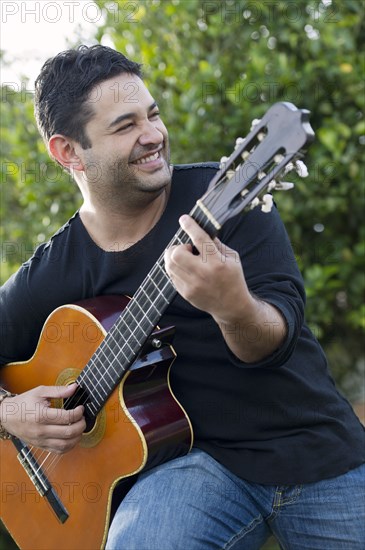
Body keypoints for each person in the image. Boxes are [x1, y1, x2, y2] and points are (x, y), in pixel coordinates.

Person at [0, 45, 364, 550]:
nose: (153, 135)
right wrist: (9, 413)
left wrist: (233, 306)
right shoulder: (55, 268)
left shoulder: (226, 200)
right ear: (67, 151)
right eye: (125, 126)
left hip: (315, 449)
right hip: (197, 467)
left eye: (153, 115)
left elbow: (273, 339)